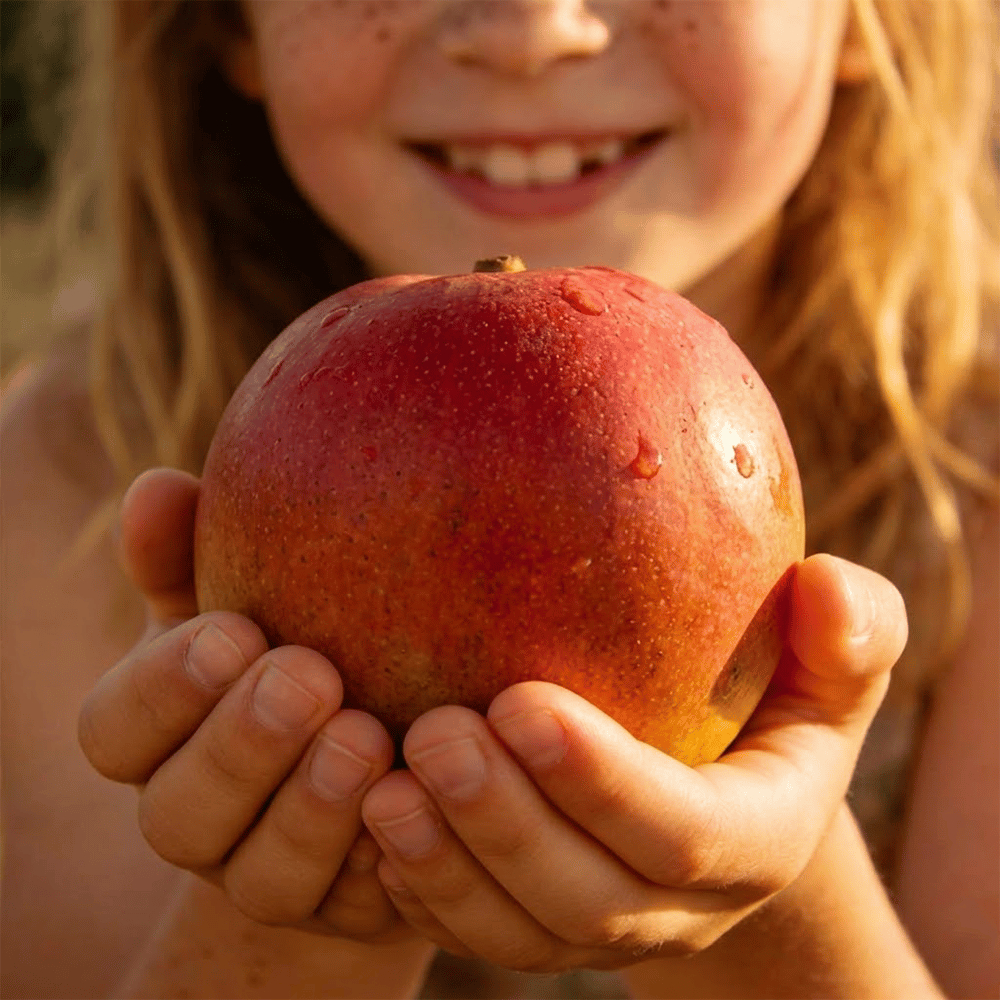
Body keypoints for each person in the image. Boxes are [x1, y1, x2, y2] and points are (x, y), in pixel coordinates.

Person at [2, 1, 997, 997]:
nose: (530, 33)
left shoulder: (978, 492)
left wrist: (762, 902)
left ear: (883, 18)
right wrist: (307, 888)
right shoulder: (58, 483)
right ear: (222, 25)